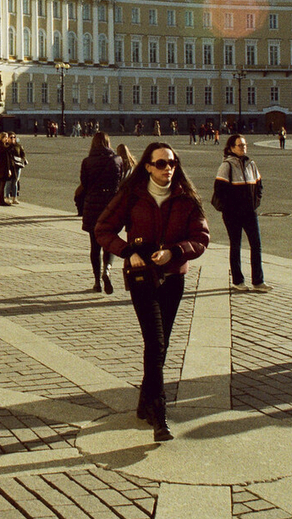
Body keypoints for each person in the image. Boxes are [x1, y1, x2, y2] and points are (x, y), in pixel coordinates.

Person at [95, 143, 209, 442]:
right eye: (160, 163)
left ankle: (145, 402)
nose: (166, 168)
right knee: (155, 342)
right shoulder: (132, 195)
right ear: (147, 165)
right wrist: (127, 251)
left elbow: (201, 237)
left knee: (161, 344)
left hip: (173, 277)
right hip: (142, 276)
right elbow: (103, 228)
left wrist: (176, 252)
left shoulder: (185, 197)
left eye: (171, 163)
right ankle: (159, 414)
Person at [213, 134, 267, 292]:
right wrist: (230, 207)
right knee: (235, 245)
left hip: (250, 212)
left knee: (256, 245)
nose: (243, 147)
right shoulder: (227, 166)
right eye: (240, 145)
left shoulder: (251, 164)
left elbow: (259, 186)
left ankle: (258, 281)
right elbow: (219, 190)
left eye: (244, 145)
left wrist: (255, 202)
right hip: (233, 214)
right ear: (231, 148)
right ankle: (238, 280)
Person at [79, 132, 125, 294]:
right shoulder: (117, 160)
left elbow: (84, 184)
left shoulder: (87, 162)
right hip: (110, 206)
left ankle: (97, 282)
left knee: (94, 245)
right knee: (109, 242)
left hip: (92, 205)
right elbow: (119, 182)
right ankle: (107, 270)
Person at [8, 133, 28, 204]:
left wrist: (23, 159)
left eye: (14, 137)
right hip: (10, 166)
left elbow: (22, 153)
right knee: (9, 182)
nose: (13, 138)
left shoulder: (18, 146)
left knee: (15, 181)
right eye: (11, 137)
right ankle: (6, 197)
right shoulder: (7, 147)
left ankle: (14, 197)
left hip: (18, 165)